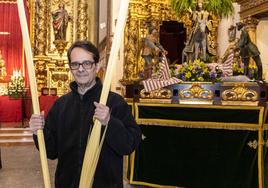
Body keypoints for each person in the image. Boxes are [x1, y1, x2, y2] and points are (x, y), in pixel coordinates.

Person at [29, 40, 141, 188]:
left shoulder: (115, 102)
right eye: (75, 64)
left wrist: (109, 122)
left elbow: (129, 145)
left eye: (87, 63)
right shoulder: (60, 105)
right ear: (70, 68)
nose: (81, 69)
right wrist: (39, 132)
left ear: (97, 66)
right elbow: (51, 151)